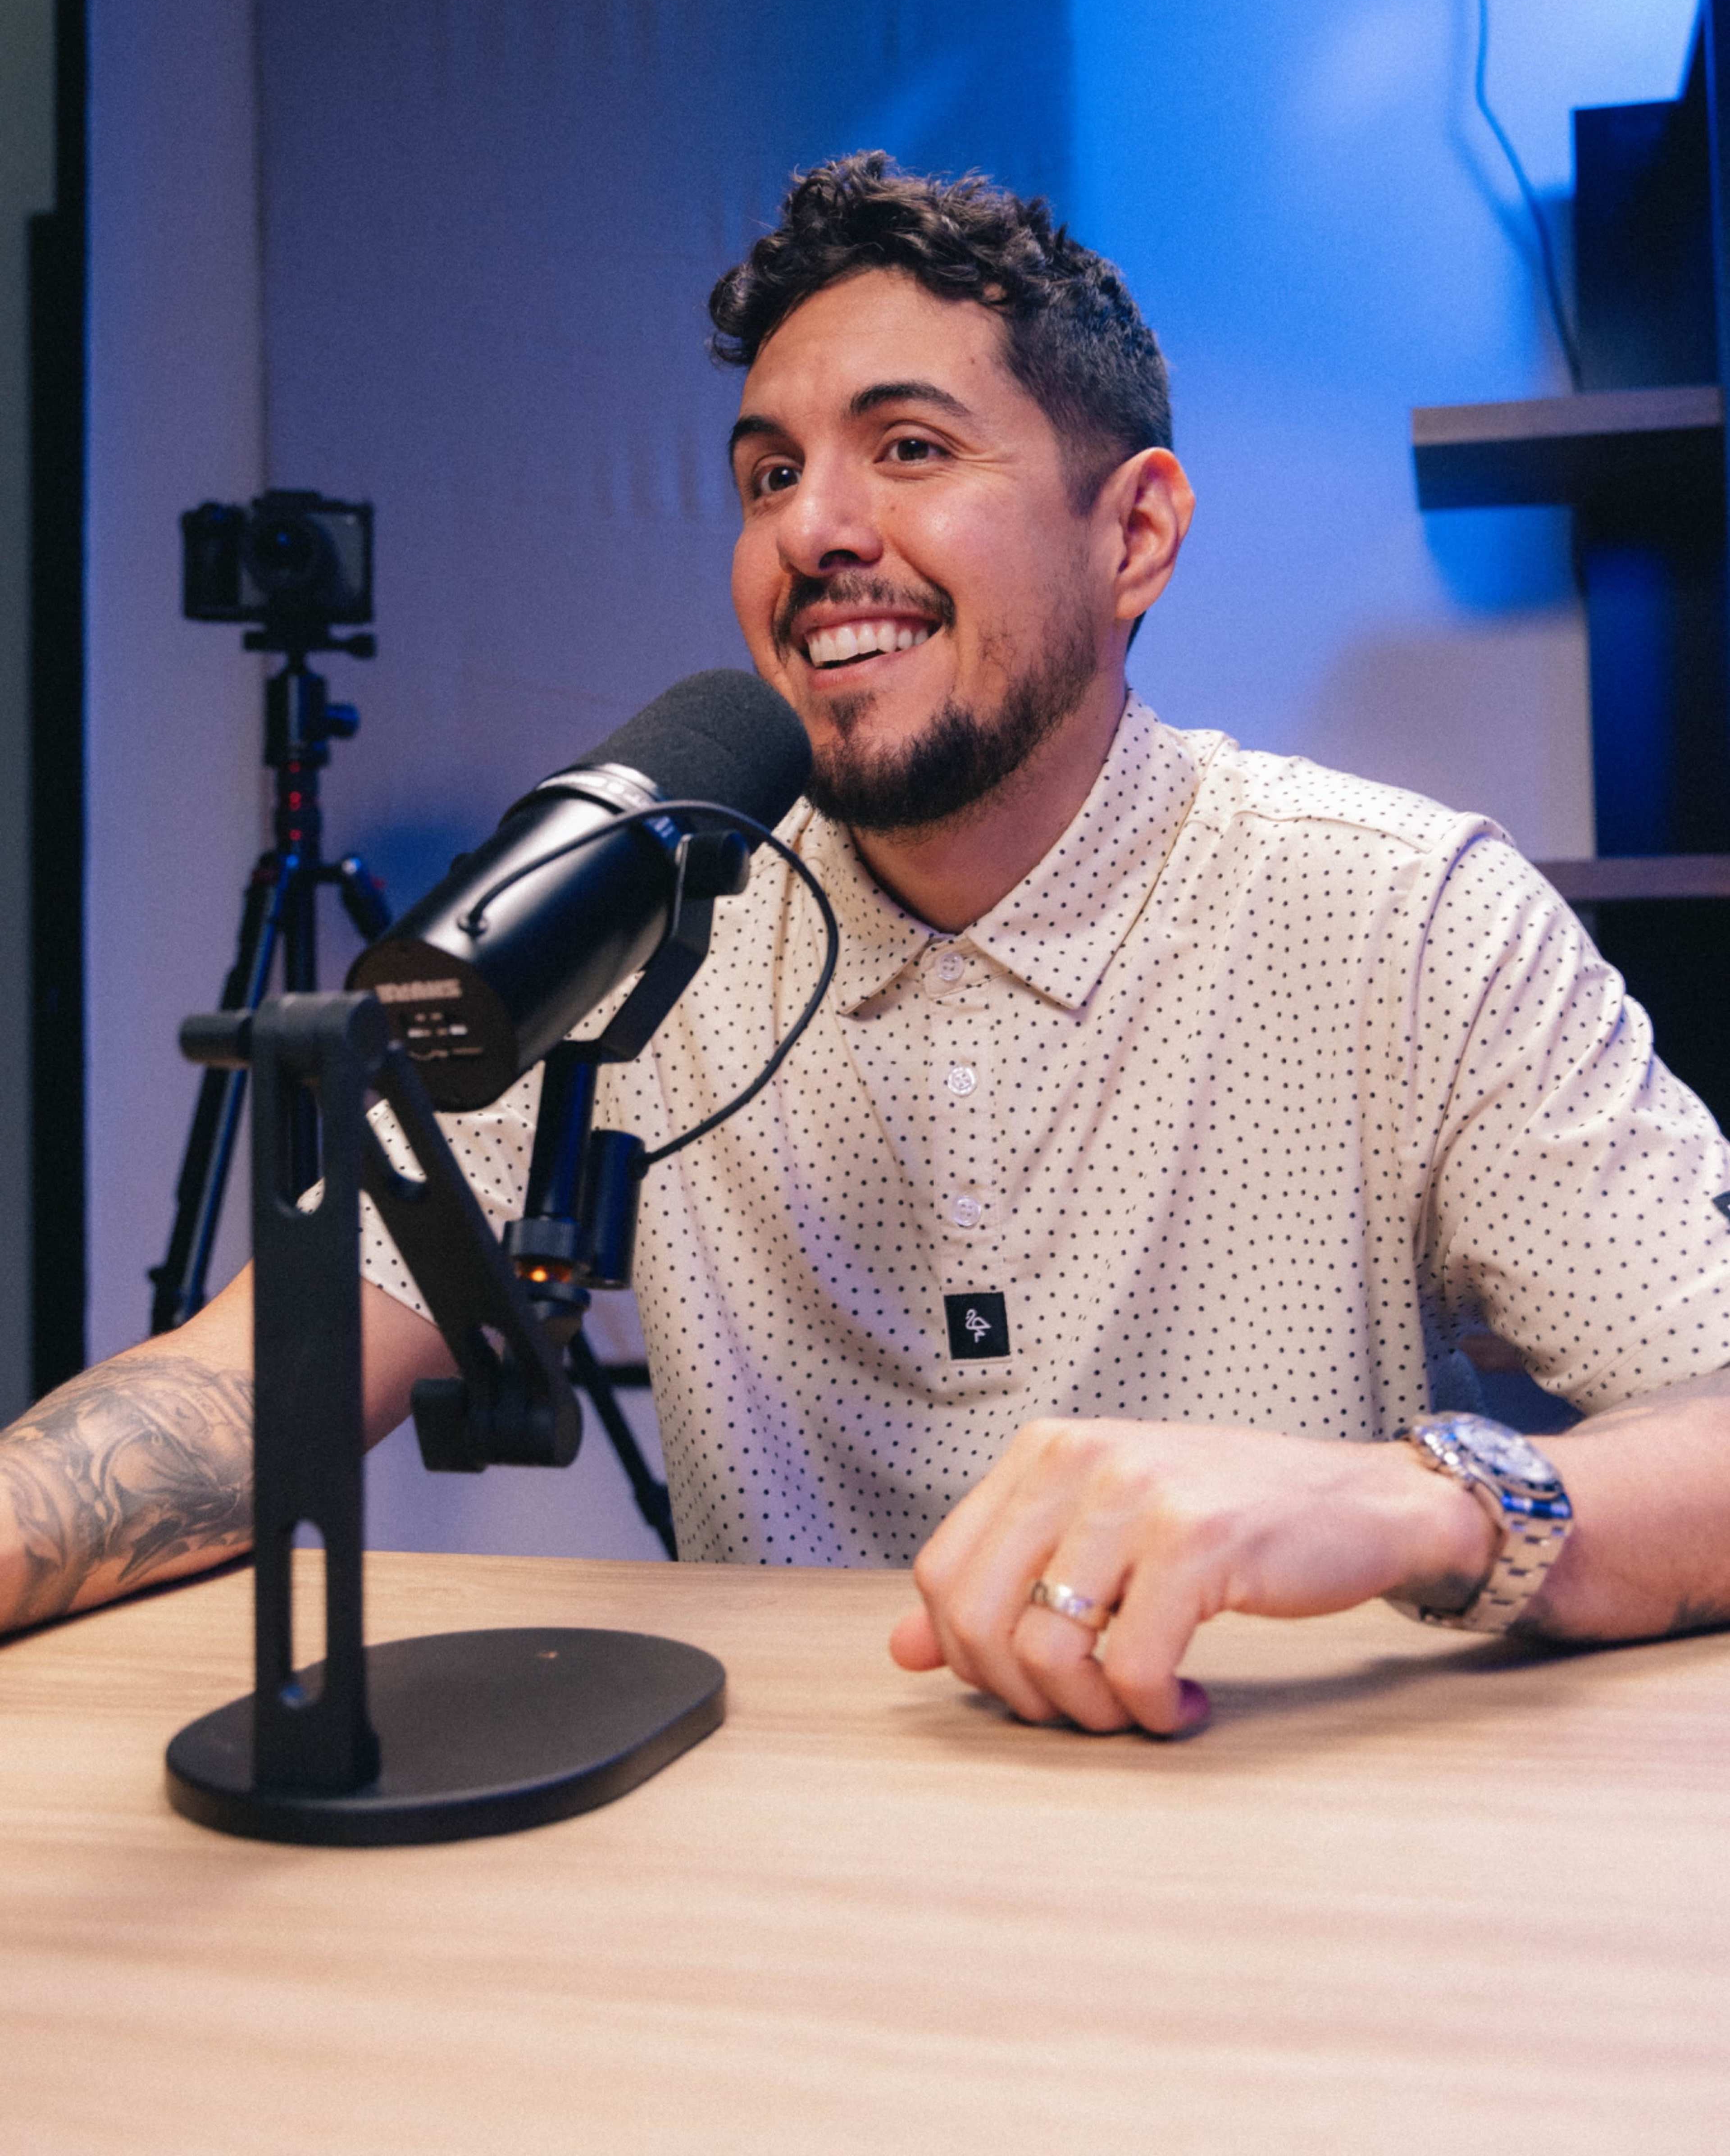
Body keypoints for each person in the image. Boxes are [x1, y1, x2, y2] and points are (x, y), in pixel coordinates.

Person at [5, 154, 1730, 1738]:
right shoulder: (642, 915)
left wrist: (1412, 1502)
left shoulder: (1406, 916)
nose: (813, 532)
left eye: (909, 450)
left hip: (1271, 1825)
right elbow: (259, 1378)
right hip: (782, 1862)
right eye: (771, 473)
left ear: (1133, 534)